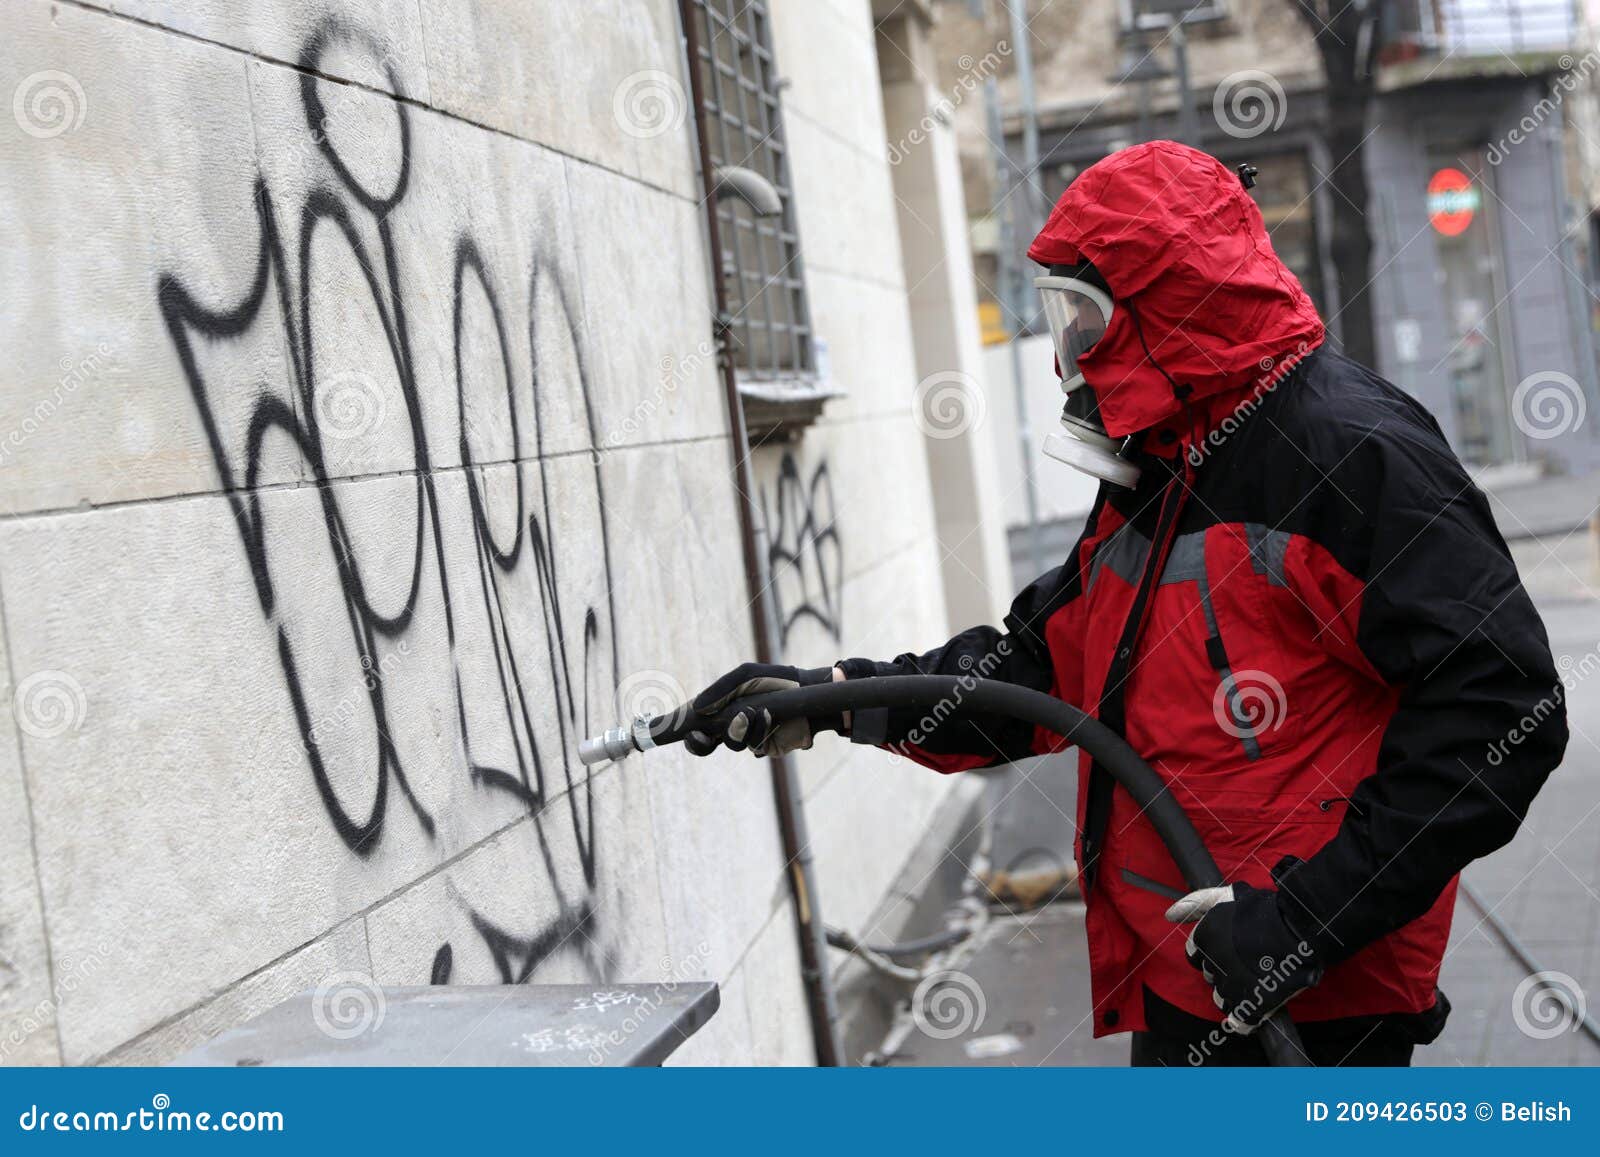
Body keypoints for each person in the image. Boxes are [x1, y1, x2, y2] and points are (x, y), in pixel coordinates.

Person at [686, 141, 1567, 1066]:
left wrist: (1303, 920)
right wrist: (832, 696)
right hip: (1190, 972)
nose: (1069, 359)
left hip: (1311, 995)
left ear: (1170, 307)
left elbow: (1505, 707)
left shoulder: (1353, 453)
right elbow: (1036, 672)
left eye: (1085, 320)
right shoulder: (1165, 467)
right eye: (1060, 319)